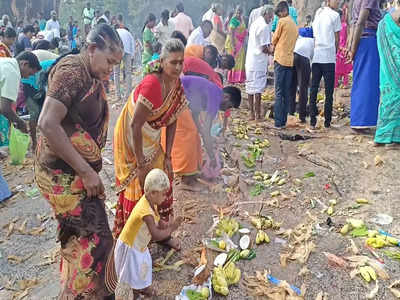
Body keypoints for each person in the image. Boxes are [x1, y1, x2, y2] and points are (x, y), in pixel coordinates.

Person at [34, 24, 123, 298]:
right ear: (92, 48)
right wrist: (85, 171)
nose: (111, 70)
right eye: (109, 61)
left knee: (77, 238)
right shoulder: (72, 72)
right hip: (63, 176)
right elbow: (48, 124)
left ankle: (72, 290)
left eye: (116, 64)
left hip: (73, 172)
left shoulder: (90, 72)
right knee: (97, 242)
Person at [112, 39, 188, 239]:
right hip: (131, 136)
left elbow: (172, 119)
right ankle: (133, 239)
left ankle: (163, 232)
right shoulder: (152, 84)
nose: (178, 67)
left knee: (163, 175)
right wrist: (140, 162)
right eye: (173, 62)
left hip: (150, 136)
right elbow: (135, 125)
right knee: (140, 182)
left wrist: (169, 155)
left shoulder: (176, 84)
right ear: (162, 62)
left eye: (181, 62)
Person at [114, 169, 183, 299]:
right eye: (163, 194)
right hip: (131, 247)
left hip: (139, 246)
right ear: (153, 193)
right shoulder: (145, 211)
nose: (164, 198)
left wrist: (166, 224)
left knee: (140, 269)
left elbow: (158, 223)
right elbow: (156, 235)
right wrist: (172, 228)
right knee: (135, 272)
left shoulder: (150, 203)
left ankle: (142, 289)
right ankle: (140, 291)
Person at [165, 76, 241, 188]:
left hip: (177, 97)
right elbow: (206, 130)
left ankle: (191, 172)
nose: (226, 110)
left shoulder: (212, 92)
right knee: (189, 135)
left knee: (194, 133)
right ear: (226, 97)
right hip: (173, 94)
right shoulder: (215, 96)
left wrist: (201, 131)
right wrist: (212, 156)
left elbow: (195, 112)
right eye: (228, 106)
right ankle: (186, 180)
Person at [347, 0, 382, 130]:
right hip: (368, 40)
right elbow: (360, 22)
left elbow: (354, 23)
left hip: (361, 40)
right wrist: (353, 48)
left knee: (361, 81)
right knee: (368, 82)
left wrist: (351, 46)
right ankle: (362, 121)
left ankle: (359, 120)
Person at [309, 0, 341, 129]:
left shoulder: (318, 13)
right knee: (329, 92)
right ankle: (327, 122)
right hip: (328, 57)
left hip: (316, 56)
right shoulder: (335, 16)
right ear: (328, 1)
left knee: (314, 89)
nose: (338, 2)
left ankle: (312, 121)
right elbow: (337, 38)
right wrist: (335, 51)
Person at [0, 51, 40, 149]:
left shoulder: (6, 62)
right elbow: (5, 108)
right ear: (24, 64)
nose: (27, 77)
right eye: (30, 73)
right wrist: (21, 123)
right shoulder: (13, 71)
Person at [374, 8, 400, 145]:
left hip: (388, 71)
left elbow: (383, 52)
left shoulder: (383, 24)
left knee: (388, 99)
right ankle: (395, 138)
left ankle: (382, 136)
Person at [271, 1, 298, 129]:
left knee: (278, 92)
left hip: (280, 59)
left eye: (278, 14)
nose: (278, 17)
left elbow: (274, 39)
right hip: (289, 60)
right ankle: (284, 121)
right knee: (286, 92)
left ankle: (278, 122)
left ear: (283, 11)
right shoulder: (294, 24)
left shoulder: (282, 22)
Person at [245, 5, 274, 121]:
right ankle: (258, 115)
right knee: (257, 89)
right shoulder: (264, 26)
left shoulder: (255, 23)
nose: (271, 19)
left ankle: (252, 113)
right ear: (266, 14)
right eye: (271, 16)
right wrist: (272, 51)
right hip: (258, 61)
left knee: (250, 87)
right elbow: (264, 48)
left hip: (251, 60)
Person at [288, 27, 314, 122]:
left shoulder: (299, 38)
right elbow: (312, 58)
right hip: (304, 59)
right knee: (303, 87)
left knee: (292, 86)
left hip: (293, 56)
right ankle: (302, 115)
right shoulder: (313, 40)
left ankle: (290, 112)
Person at [225, 6, 247, 84]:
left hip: (241, 42)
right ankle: (232, 78)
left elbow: (244, 29)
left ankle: (239, 78)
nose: (238, 14)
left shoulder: (242, 19)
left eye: (240, 12)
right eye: (237, 12)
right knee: (234, 60)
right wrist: (234, 46)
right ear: (235, 12)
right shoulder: (234, 20)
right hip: (233, 41)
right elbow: (231, 33)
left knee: (240, 60)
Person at [114, 27, 135, 100]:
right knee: (128, 72)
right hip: (127, 51)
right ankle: (128, 95)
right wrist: (132, 56)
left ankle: (118, 95)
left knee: (116, 73)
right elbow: (133, 44)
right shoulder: (128, 33)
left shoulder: (115, 31)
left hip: (117, 51)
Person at [335, 10, 353, 88]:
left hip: (339, 48)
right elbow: (348, 36)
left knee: (338, 67)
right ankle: (344, 83)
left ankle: (336, 84)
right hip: (343, 48)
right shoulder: (345, 25)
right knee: (344, 67)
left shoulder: (339, 25)